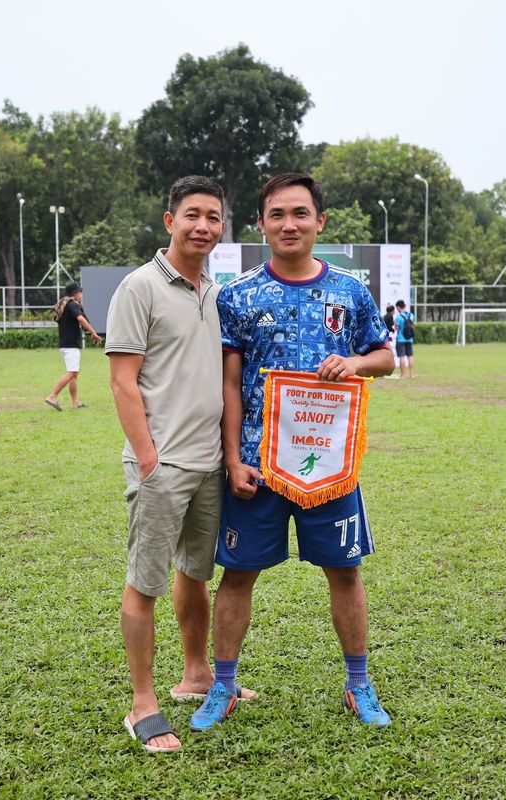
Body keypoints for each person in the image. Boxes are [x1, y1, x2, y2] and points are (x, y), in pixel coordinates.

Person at [191, 173, 395, 732]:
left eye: (300, 213)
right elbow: (229, 385)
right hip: (257, 464)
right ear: (260, 223)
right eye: (277, 214)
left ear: (320, 221)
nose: (289, 224)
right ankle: (223, 686)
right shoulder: (238, 295)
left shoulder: (350, 291)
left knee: (345, 572)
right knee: (237, 575)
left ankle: (359, 684)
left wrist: (354, 363)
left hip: (330, 463)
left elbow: (384, 356)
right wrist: (233, 459)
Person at [106, 176, 254, 754]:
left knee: (195, 573)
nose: (203, 226)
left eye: (213, 217)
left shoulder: (216, 292)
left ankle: (196, 675)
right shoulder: (139, 287)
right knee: (145, 582)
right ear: (170, 221)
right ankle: (143, 704)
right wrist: (149, 458)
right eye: (192, 215)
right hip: (162, 465)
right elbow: (122, 381)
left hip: (210, 464)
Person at [45, 283, 101, 410]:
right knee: (72, 373)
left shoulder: (64, 305)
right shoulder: (72, 305)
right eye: (79, 292)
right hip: (71, 345)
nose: (81, 295)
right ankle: (52, 396)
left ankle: (76, 402)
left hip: (65, 344)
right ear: (75, 293)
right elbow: (81, 319)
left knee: (74, 374)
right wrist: (93, 332)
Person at [393, 299, 416, 379]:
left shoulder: (399, 317)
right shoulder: (411, 315)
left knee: (402, 357)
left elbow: (396, 328)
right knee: (410, 356)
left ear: (399, 307)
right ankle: (412, 374)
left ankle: (403, 374)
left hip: (400, 339)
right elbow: (412, 326)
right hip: (409, 339)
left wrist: (395, 325)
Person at [382, 303, 400, 378]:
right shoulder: (390, 316)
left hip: (384, 335)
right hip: (387, 335)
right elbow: (390, 327)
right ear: (392, 310)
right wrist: (393, 331)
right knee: (390, 352)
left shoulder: (385, 316)